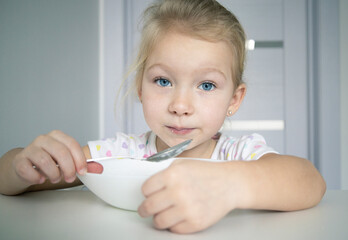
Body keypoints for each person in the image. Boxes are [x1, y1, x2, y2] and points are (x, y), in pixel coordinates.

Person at [0, 0, 326, 234]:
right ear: (140, 87)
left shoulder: (238, 155)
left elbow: (311, 182)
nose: (180, 105)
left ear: (234, 100)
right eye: (163, 81)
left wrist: (232, 184)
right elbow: (6, 180)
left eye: (207, 85)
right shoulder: (119, 154)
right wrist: (23, 165)